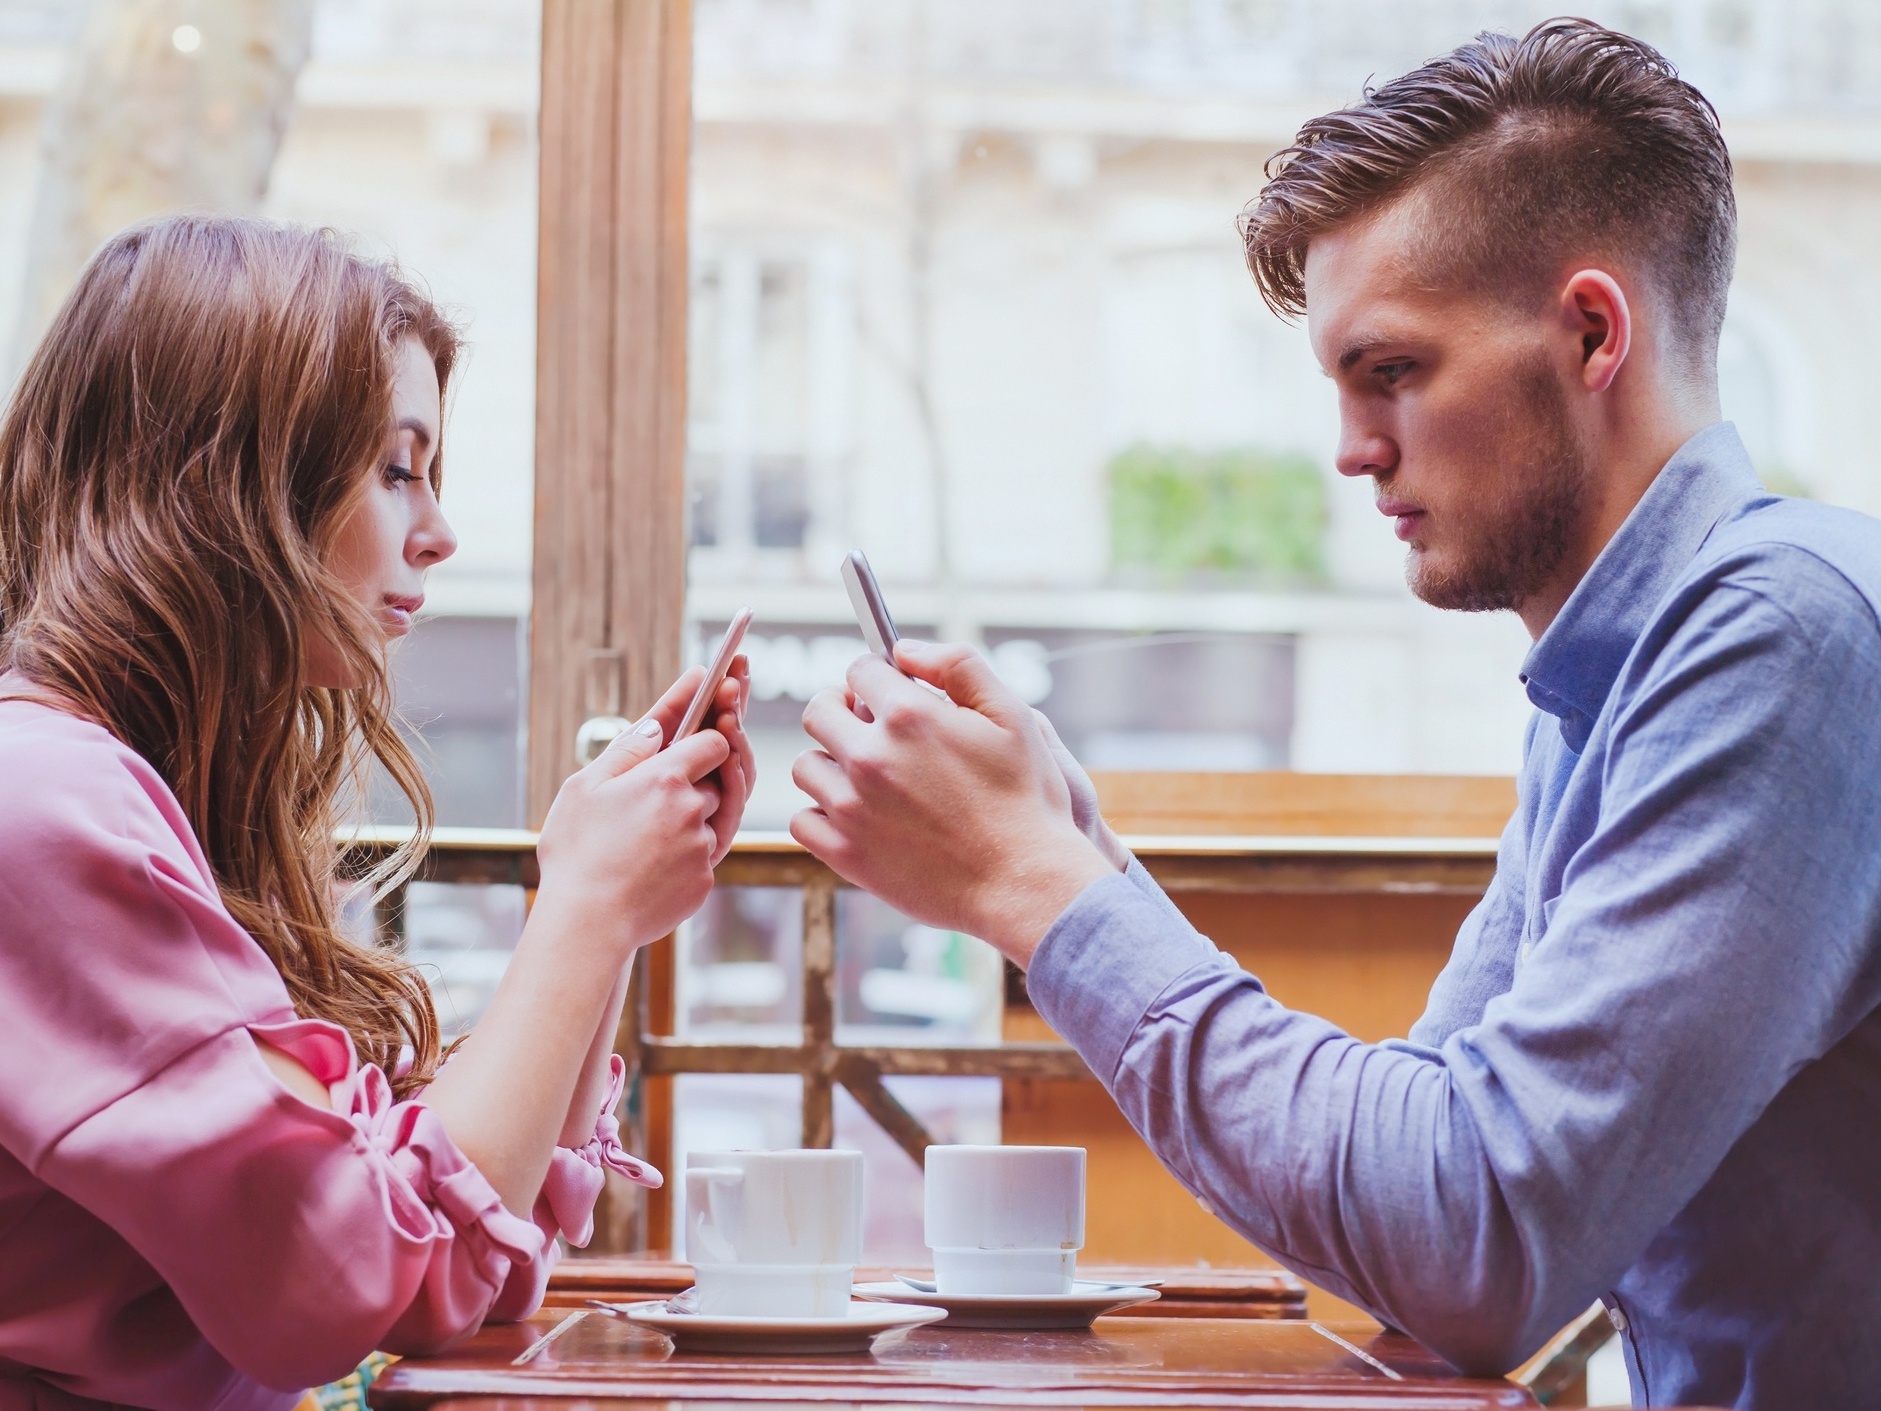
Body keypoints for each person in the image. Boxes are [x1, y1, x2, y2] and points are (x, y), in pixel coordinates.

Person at [790, 19, 1881, 1410]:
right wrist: (1077, 847)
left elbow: (1474, 1233)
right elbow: (1418, 1191)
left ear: (1593, 333)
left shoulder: (1781, 637)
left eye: (1395, 372)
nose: (1354, 452)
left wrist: (1038, 888)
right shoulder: (1611, 677)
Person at [0, 216, 754, 1409]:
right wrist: (587, 909)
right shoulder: (39, 804)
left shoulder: (115, 788)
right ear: (229, 480)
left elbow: (457, 1267)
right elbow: (347, 1280)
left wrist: (596, 905)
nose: (439, 532)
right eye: (397, 468)